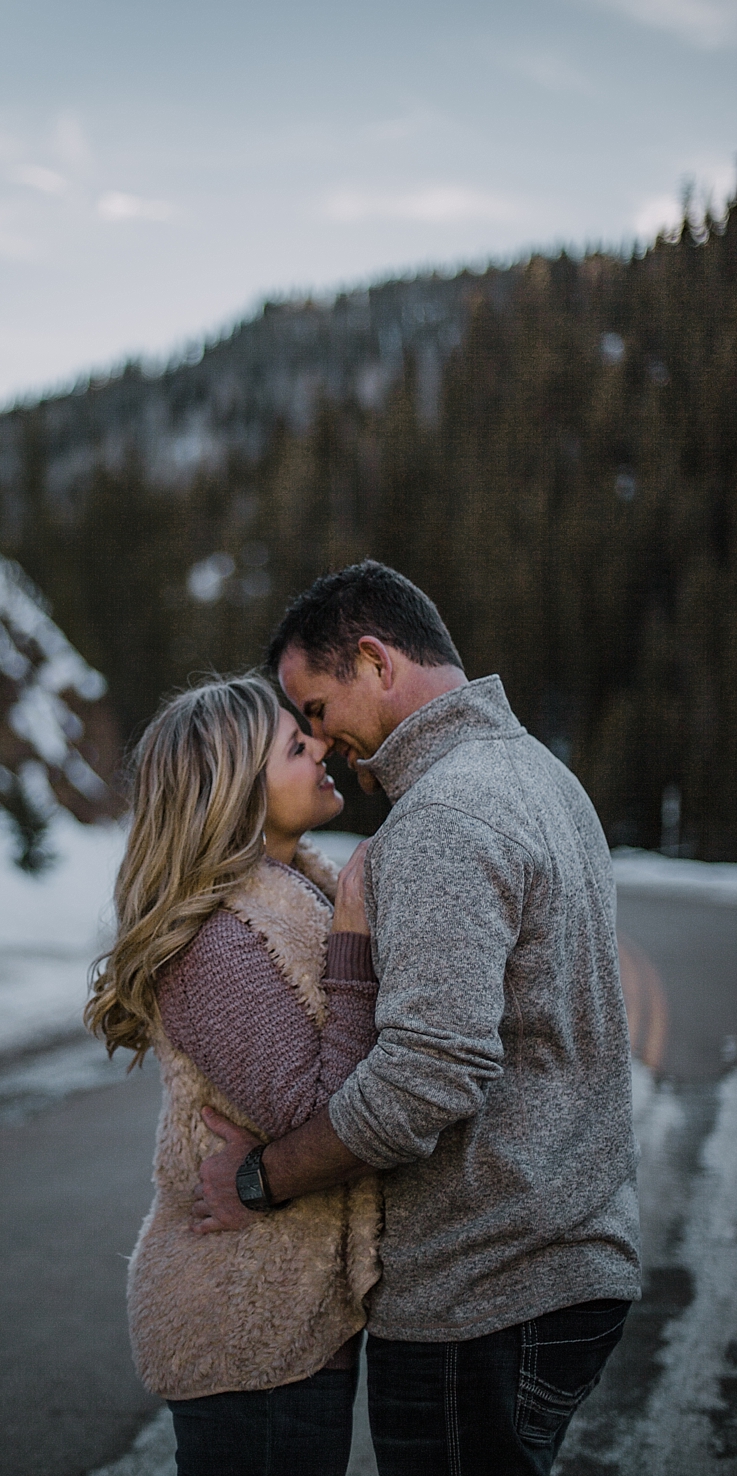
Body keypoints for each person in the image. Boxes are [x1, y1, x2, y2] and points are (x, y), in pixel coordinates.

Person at [192, 561, 641, 1476]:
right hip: (557, 1261)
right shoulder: (537, 776)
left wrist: (260, 1180)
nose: (324, 744)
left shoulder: (445, 816)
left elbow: (425, 1076)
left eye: (316, 710)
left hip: (485, 1288)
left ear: (372, 660)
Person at [86, 676, 383, 1476]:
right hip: (244, 1321)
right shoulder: (215, 942)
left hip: (285, 1310)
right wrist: (354, 946)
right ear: (234, 795)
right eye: (295, 747)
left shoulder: (295, 896)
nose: (320, 746)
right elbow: (326, 1113)